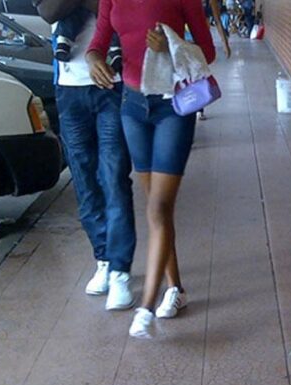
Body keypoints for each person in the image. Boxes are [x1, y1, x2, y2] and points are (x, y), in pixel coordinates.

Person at [86, 0, 216, 338]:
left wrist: (173, 48)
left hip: (173, 105)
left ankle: (144, 308)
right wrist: (93, 58)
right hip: (132, 106)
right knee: (157, 208)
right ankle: (175, 288)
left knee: (159, 208)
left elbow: (208, 51)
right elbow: (99, 40)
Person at [36, 0, 136, 312]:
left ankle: (120, 270)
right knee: (84, 179)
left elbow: (119, 9)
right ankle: (103, 258)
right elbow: (47, 11)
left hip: (112, 84)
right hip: (69, 88)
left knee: (114, 176)